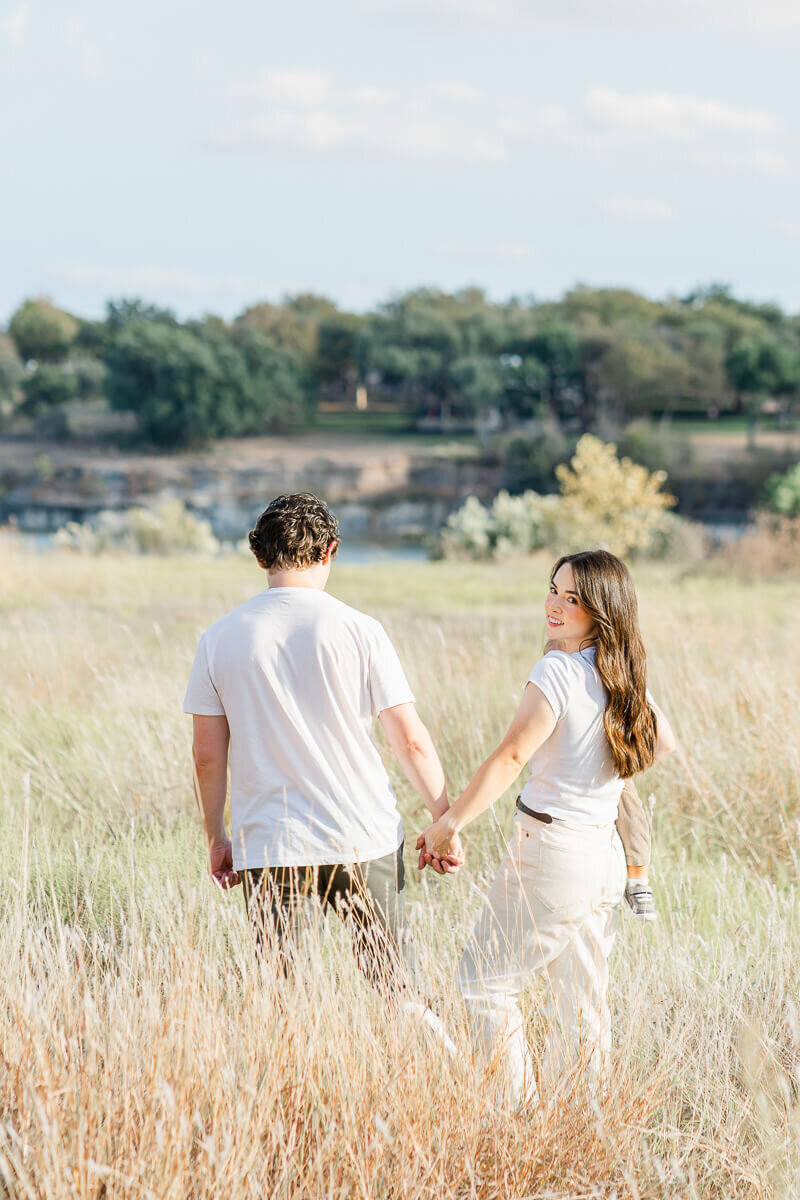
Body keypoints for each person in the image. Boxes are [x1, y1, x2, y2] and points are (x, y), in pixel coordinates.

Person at [417, 549, 676, 1108]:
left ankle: (516, 1121)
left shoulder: (558, 670)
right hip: (603, 854)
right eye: (554, 589)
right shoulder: (623, 676)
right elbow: (661, 743)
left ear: (601, 612)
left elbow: (511, 758)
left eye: (573, 598)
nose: (555, 604)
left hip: (552, 850)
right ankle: (584, 1128)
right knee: (582, 1001)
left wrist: (449, 823)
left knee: (484, 986)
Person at [183, 492, 460, 1002]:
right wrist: (444, 820)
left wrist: (216, 839)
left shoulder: (219, 638)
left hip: (270, 842)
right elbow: (411, 740)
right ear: (330, 551)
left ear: (260, 556)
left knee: (284, 997)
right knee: (395, 988)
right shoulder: (362, 630)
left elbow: (206, 756)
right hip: (362, 836)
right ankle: (431, 1070)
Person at [544, 636, 657, 921]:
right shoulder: (605, 666)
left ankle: (639, 881)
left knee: (627, 798)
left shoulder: (589, 663)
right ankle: (638, 882)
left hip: (600, 756)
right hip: (594, 757)